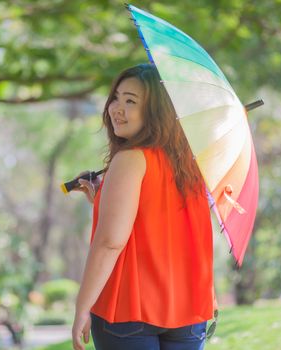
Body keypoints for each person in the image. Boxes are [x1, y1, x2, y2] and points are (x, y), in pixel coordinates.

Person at [70, 63, 215, 350]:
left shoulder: (130, 159)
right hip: (186, 311)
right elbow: (165, 225)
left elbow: (110, 241)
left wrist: (82, 306)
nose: (116, 108)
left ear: (155, 112)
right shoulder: (192, 165)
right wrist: (103, 198)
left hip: (128, 310)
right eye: (116, 97)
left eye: (131, 101)